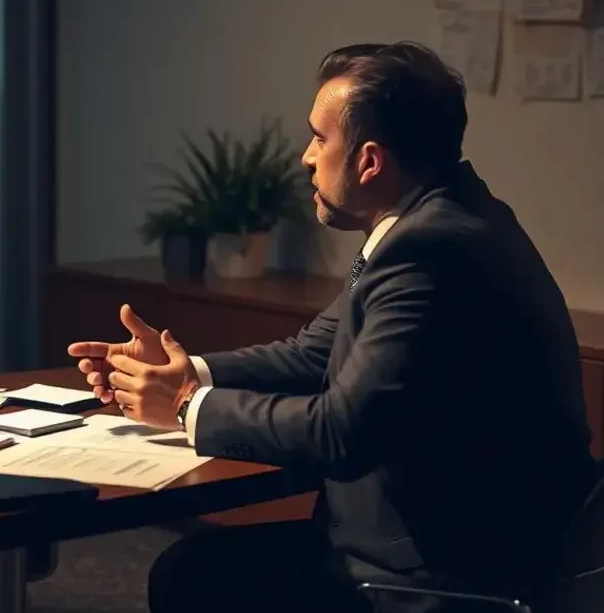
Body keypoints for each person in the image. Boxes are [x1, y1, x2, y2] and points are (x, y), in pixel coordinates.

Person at [68, 42, 597, 613]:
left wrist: (184, 405)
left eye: (321, 139)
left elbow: (339, 433)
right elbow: (311, 353)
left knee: (190, 574)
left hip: (445, 572)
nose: (305, 157)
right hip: (475, 541)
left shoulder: (428, 249)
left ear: (369, 161)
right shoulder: (446, 217)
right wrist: (183, 371)